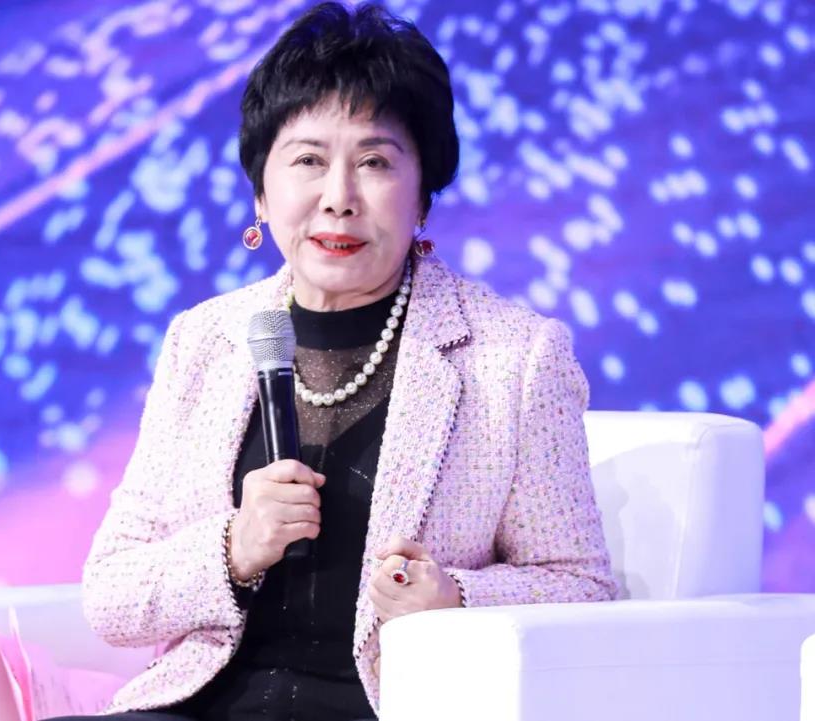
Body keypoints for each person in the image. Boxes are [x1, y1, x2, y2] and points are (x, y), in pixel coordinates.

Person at [54, 3, 617, 720]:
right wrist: (233, 548)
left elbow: (580, 587)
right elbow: (111, 592)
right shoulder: (204, 340)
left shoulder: (514, 358)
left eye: (375, 162)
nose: (339, 198)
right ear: (262, 192)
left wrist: (456, 597)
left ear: (423, 197)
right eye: (308, 161)